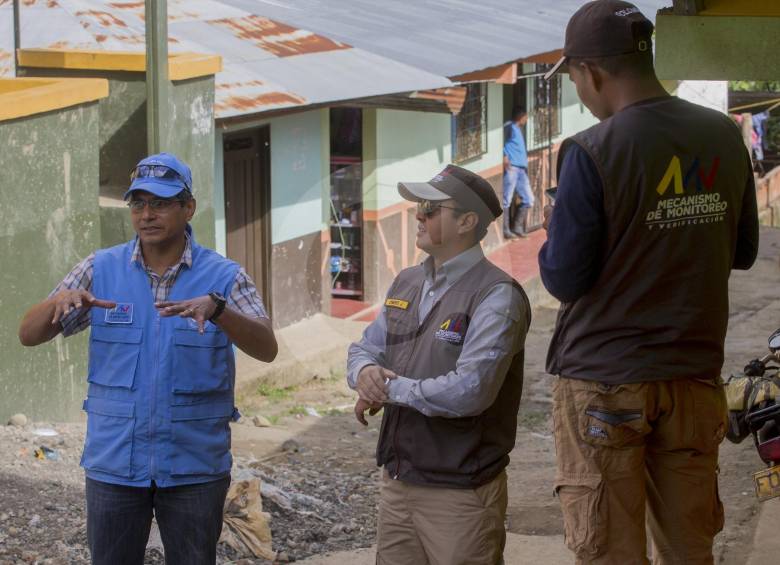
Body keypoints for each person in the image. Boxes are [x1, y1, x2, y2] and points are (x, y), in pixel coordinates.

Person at [539, 2, 759, 564]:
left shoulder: (591, 150)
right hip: (692, 377)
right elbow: (744, 252)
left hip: (606, 382)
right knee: (689, 549)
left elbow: (565, 277)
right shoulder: (721, 135)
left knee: (611, 549)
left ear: (589, 72)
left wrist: (555, 228)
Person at [18, 152, 278, 565]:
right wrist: (57, 302)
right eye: (138, 204)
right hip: (114, 465)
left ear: (187, 207)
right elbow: (28, 335)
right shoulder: (99, 268)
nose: (146, 214)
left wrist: (219, 310)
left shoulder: (224, 277)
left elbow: (266, 347)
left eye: (160, 203)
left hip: (195, 467)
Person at [347, 164, 531, 565]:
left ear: (466, 221)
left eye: (431, 208)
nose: (418, 215)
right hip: (398, 482)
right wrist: (364, 375)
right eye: (419, 206)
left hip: (460, 492)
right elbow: (365, 348)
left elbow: (470, 391)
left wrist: (389, 389)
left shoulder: (497, 296)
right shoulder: (407, 281)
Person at [502, 106, 534, 239]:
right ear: (521, 117)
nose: (526, 120)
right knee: (506, 200)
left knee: (529, 199)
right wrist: (504, 156)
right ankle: (506, 230)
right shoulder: (509, 127)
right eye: (526, 117)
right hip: (512, 168)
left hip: (520, 169)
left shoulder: (517, 129)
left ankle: (517, 227)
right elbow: (502, 141)